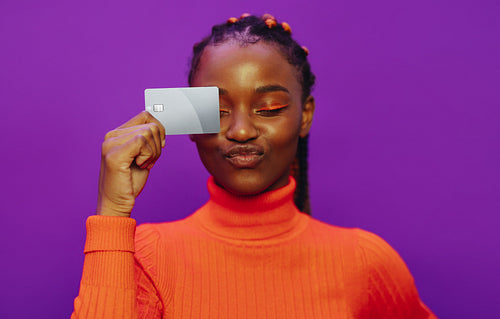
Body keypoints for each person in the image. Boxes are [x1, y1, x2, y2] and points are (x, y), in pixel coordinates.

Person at [72, 14, 437, 318]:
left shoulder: (366, 262)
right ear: (189, 122)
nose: (242, 130)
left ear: (304, 115)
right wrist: (113, 215)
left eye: (270, 108)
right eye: (216, 112)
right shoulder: (144, 256)